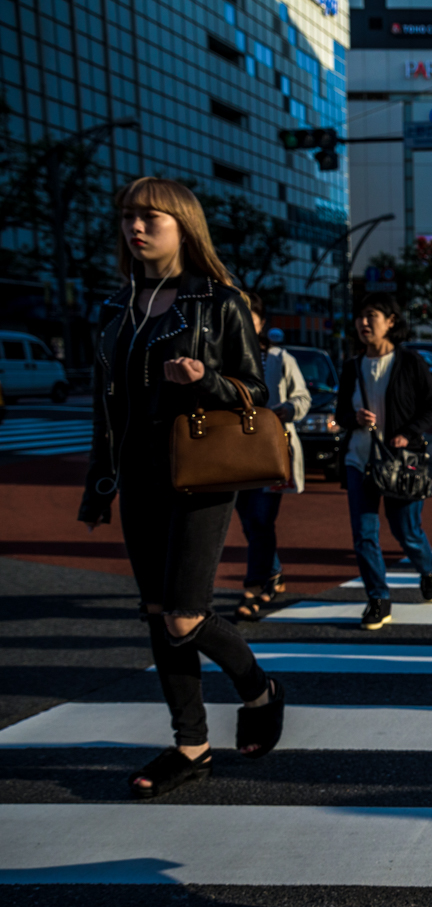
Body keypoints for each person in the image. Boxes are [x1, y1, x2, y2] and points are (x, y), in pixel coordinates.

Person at [77, 176, 286, 798]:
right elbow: (104, 408)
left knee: (184, 616)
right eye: (128, 217)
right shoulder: (115, 309)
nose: (135, 228)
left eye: (151, 218)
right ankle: (191, 745)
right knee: (155, 614)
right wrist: (99, 486)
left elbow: (256, 392)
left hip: (198, 473)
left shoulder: (217, 302)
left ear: (183, 227)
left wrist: (204, 380)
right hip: (138, 478)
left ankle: (260, 688)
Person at [335, 293, 432, 630]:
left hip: (400, 461)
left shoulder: (410, 362)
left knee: (406, 530)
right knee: (364, 534)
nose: (364, 323)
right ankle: (378, 599)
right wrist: (354, 418)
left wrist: (407, 433)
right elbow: (340, 414)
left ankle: (428, 568)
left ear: (391, 321)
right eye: (360, 317)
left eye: (372, 316)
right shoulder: (352, 366)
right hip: (359, 460)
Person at [232, 294, 311, 621]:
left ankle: (253, 588)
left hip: (272, 449)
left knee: (262, 520)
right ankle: (273, 572)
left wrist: (288, 409)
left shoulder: (280, 358)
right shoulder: (225, 358)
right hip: (233, 454)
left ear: (262, 323)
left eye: (250, 318)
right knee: (248, 521)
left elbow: (303, 397)